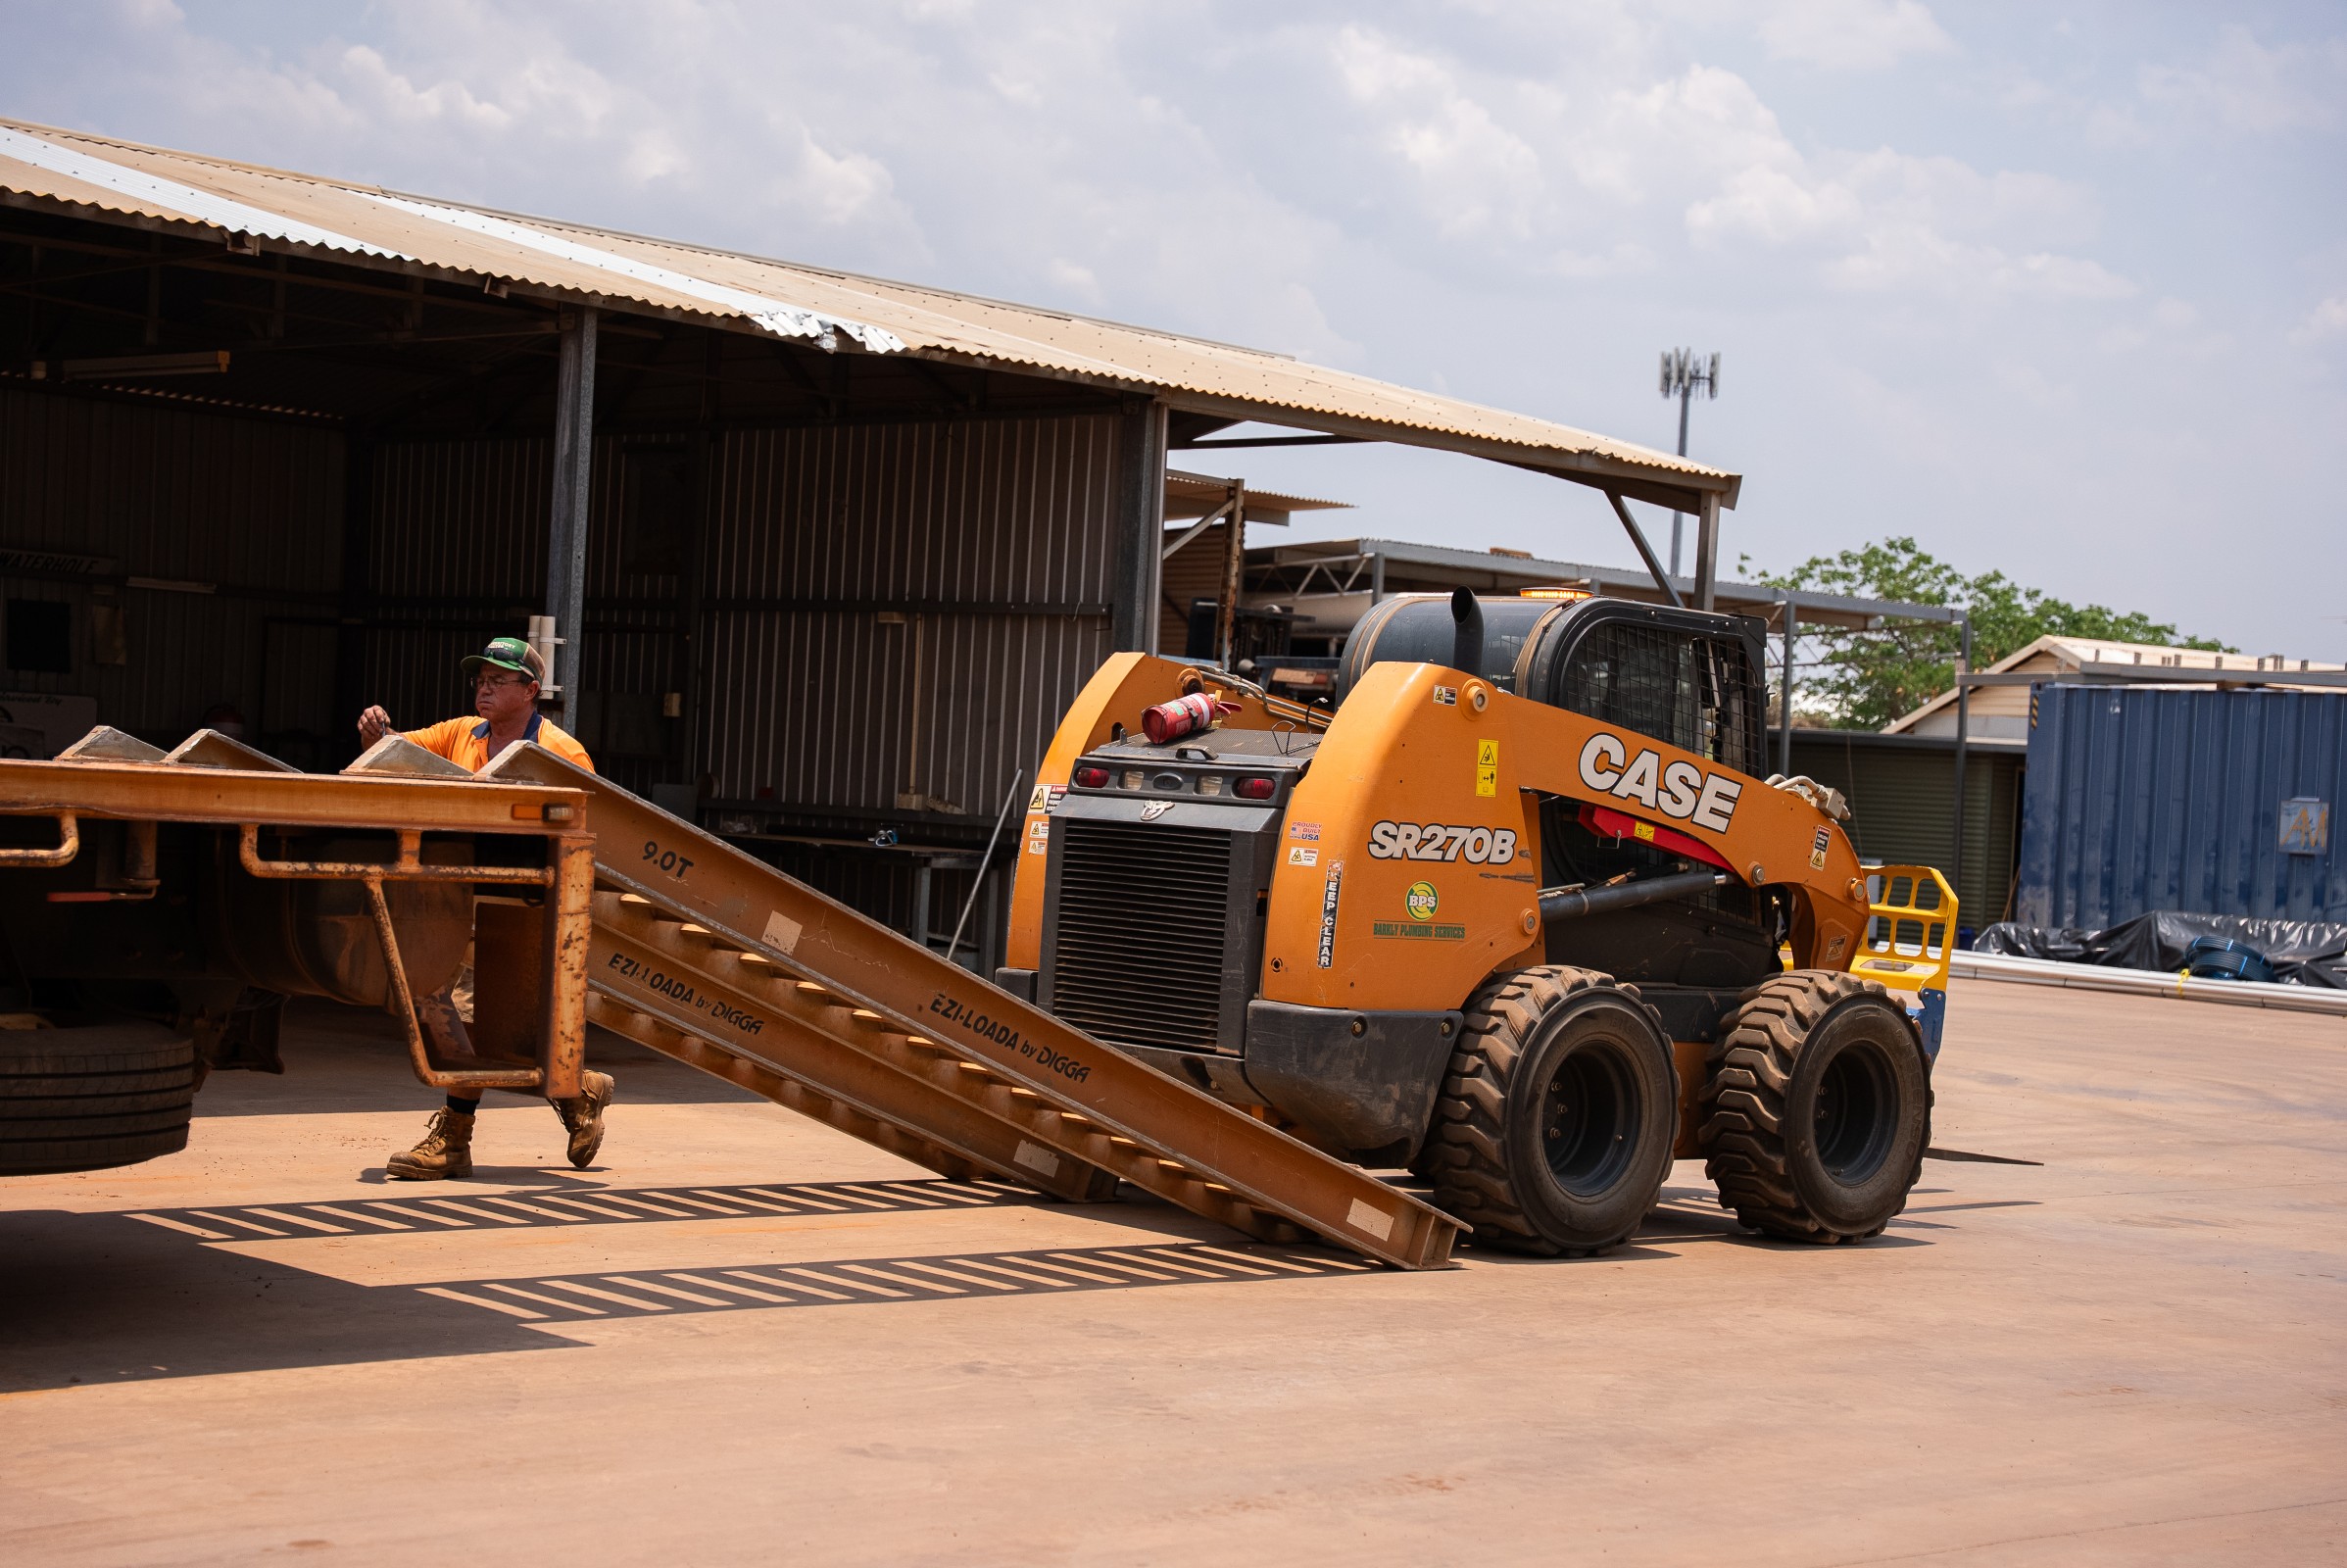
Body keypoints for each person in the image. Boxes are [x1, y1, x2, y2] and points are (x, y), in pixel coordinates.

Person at [356, 635, 612, 1181]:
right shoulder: (458, 734)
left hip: (520, 906)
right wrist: (376, 732)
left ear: (531, 691)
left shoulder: (563, 754)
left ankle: (455, 1138)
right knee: (459, 1014)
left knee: (470, 1017)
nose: (485, 688)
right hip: (456, 896)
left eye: (498, 680)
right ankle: (577, 1090)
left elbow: (585, 839)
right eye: (480, 679)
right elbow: (398, 753)